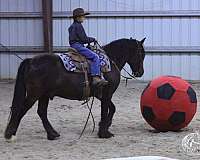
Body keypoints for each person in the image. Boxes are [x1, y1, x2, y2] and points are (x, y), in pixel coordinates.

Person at [68, 8, 108, 86]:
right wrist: (93, 39)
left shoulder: (72, 26)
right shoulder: (78, 26)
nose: (84, 18)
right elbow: (84, 39)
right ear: (78, 17)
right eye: (83, 16)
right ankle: (96, 77)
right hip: (78, 46)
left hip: (74, 45)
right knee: (95, 57)